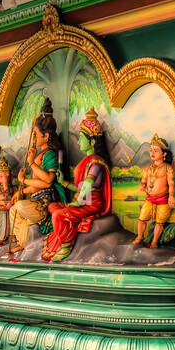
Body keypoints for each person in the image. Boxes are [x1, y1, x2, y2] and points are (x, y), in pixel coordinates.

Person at [41, 110, 112, 263]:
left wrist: (77, 202)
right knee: (53, 207)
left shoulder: (96, 163)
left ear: (92, 141)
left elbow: (87, 187)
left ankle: (66, 244)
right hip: (82, 201)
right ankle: (63, 236)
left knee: (58, 215)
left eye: (81, 138)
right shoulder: (87, 162)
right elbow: (81, 188)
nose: (79, 142)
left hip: (91, 204)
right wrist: (64, 183)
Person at [10, 99, 62, 254]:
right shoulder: (40, 154)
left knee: (19, 207)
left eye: (36, 134)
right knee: (14, 209)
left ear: (46, 136)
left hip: (45, 203)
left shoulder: (50, 154)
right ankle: (23, 242)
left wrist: (29, 168)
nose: (33, 137)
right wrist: (21, 191)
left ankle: (30, 242)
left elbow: (47, 181)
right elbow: (37, 183)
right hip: (36, 198)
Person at [133, 134, 175, 249]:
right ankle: (140, 236)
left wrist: (171, 197)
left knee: (159, 222)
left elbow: (171, 184)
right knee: (142, 218)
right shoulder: (148, 168)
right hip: (149, 199)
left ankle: (154, 242)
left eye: (156, 150)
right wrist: (142, 186)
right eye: (151, 150)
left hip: (163, 199)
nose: (152, 153)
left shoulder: (168, 168)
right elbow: (143, 181)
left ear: (164, 154)